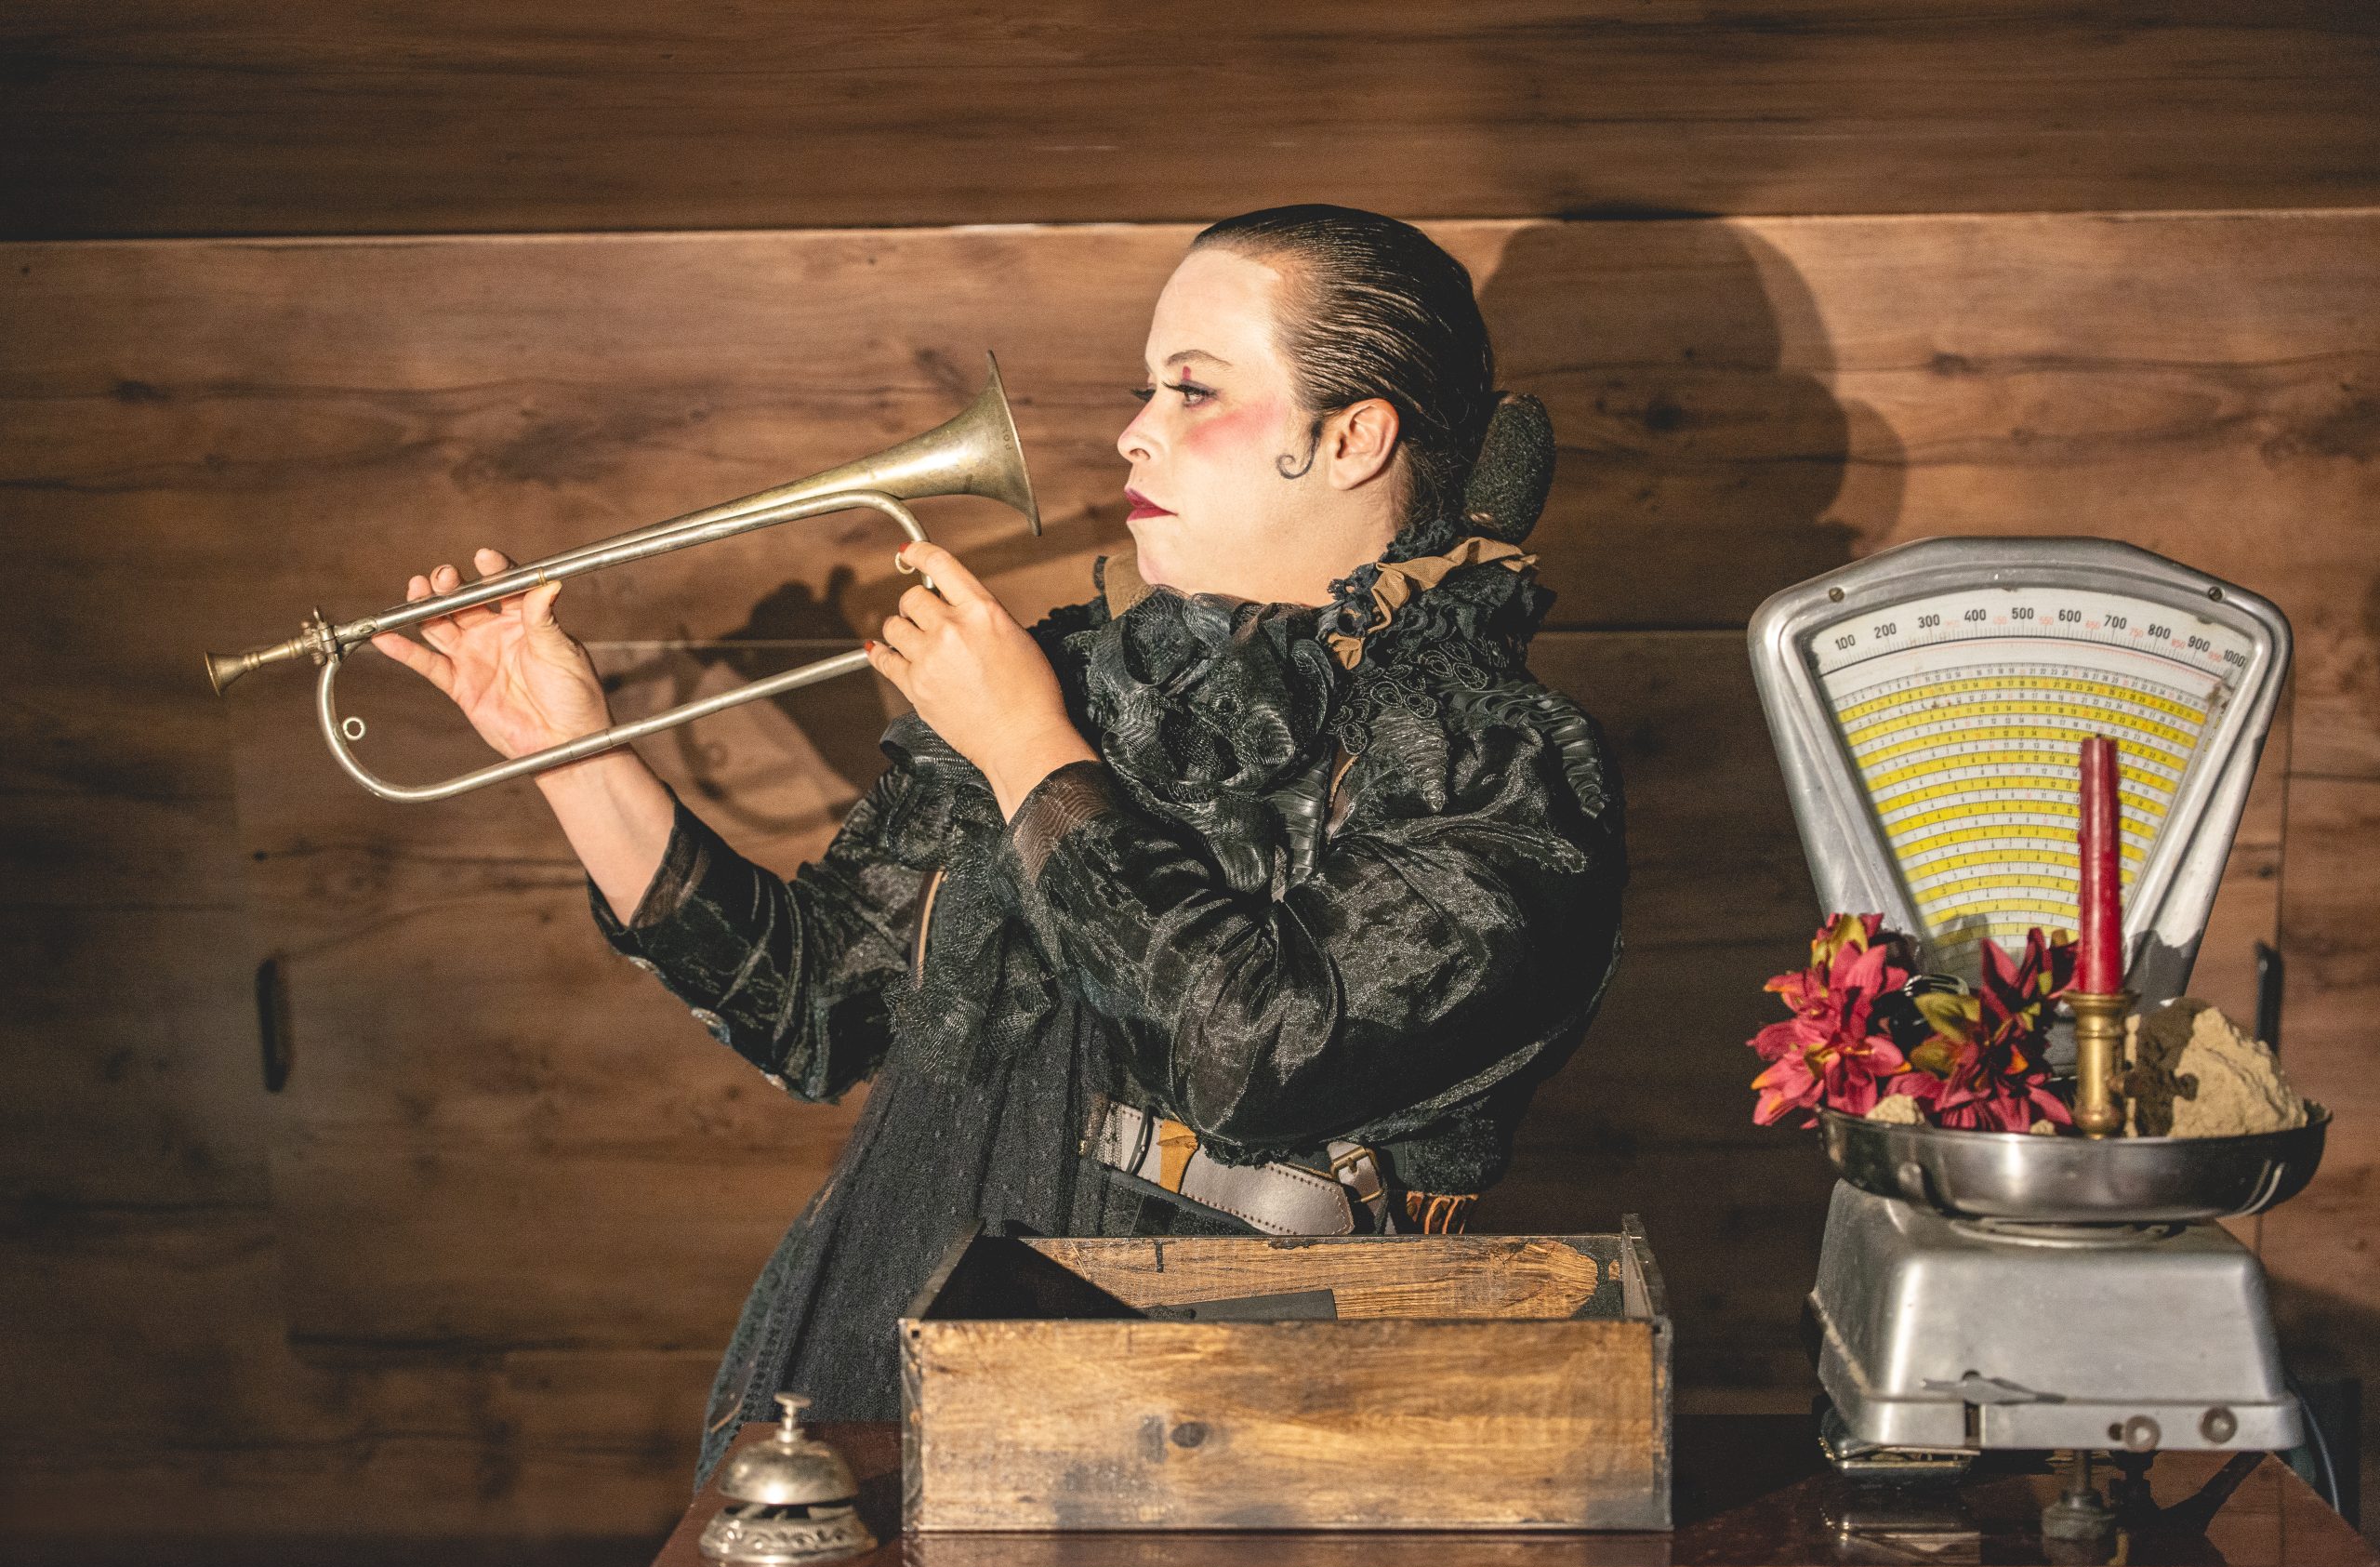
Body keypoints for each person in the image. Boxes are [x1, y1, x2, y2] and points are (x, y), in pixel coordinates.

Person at [372, 206, 1627, 1483]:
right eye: (1147, 389)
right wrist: (571, 753)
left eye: (1194, 389)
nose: (1136, 431)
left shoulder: (1499, 762)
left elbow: (1260, 1051)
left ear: (1352, 438)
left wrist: (1027, 748)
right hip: (867, 1393)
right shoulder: (1069, 679)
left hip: (1210, 1453)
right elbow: (813, 1011)